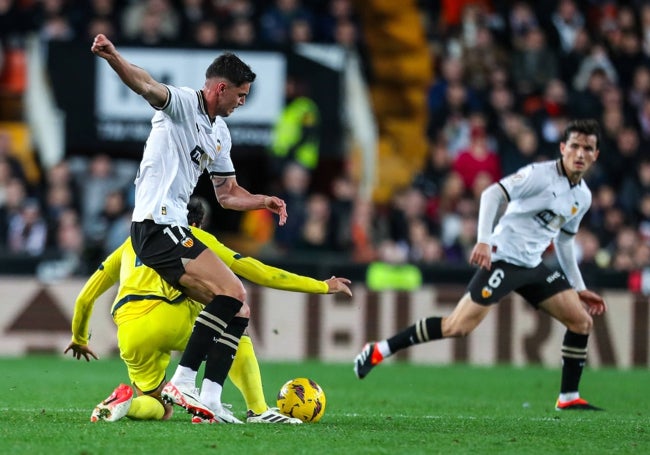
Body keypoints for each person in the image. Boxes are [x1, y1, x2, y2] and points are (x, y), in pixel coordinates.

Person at [90, 34, 288, 422]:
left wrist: (261, 200)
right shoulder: (182, 104)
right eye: (241, 95)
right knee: (233, 289)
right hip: (155, 223)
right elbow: (145, 83)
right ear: (220, 88)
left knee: (237, 308)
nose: (242, 102)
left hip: (171, 225)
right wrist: (113, 57)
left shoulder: (219, 132)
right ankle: (183, 380)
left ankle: (210, 396)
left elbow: (228, 194)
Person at [354, 119, 608, 411]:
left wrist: (579, 288)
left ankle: (568, 397)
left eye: (587, 148)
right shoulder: (539, 175)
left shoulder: (583, 196)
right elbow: (492, 194)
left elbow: (564, 243)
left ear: (595, 155)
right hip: (503, 259)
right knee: (456, 327)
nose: (580, 153)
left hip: (533, 265)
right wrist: (484, 240)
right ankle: (378, 350)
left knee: (581, 322)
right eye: (574, 145)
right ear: (563, 148)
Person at [65, 197, 352, 424]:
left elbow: (84, 299)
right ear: (198, 224)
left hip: (128, 332)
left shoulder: (131, 243)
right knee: (233, 315)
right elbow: (257, 271)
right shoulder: (192, 238)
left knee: (160, 405)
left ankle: (126, 406)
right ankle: (257, 408)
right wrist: (322, 286)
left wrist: (79, 337)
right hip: (169, 316)